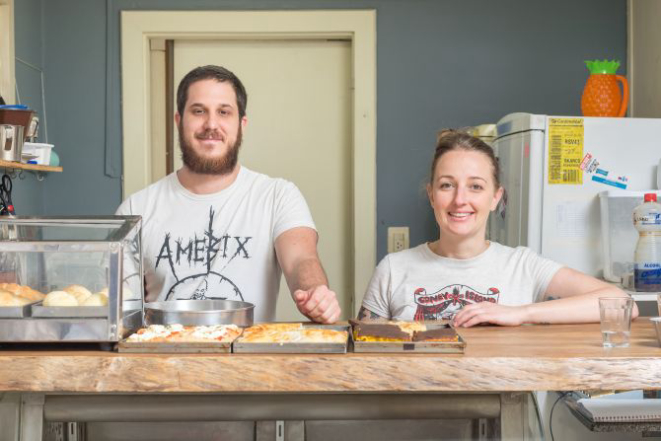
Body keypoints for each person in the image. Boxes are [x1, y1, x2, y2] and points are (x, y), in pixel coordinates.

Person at [117, 65, 340, 324]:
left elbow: (302, 258)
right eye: (198, 111)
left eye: (224, 112)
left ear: (241, 124)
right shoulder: (137, 208)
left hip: (249, 361)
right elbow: (123, 306)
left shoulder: (277, 196)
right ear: (179, 121)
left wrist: (315, 293)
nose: (211, 124)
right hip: (164, 361)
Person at [359, 129, 638, 326]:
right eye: (447, 185)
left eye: (476, 187)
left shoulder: (522, 265)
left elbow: (623, 303)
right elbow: (365, 361)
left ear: (495, 197)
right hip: (414, 409)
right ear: (432, 195)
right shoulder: (393, 269)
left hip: (504, 410)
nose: (460, 200)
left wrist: (522, 313)